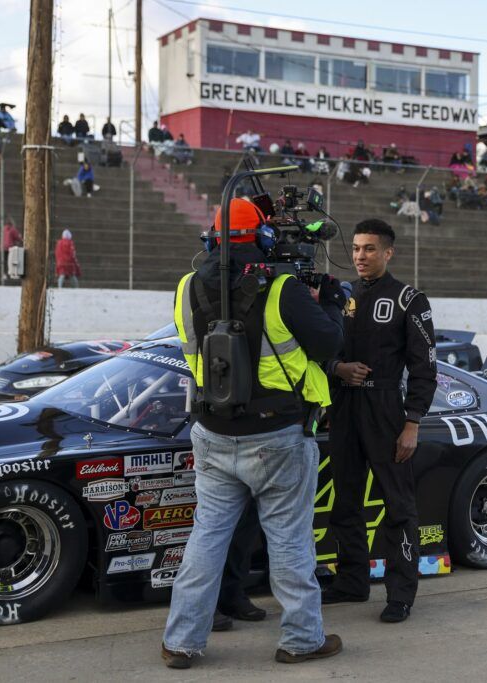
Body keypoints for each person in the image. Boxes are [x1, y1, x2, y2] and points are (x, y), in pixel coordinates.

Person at [161, 197, 346, 668]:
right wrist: (329, 301)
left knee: (206, 539)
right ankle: (302, 639)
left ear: (212, 238)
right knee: (289, 541)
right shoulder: (284, 288)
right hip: (277, 435)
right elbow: (329, 342)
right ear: (262, 238)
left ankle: (181, 641)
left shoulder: (186, 287)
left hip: (212, 431)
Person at [322, 219, 437, 624]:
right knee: (346, 500)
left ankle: (401, 593)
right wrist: (337, 368)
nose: (360, 256)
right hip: (344, 408)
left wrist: (413, 423)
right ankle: (351, 582)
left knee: (398, 507)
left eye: (369, 249)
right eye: (355, 248)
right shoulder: (340, 296)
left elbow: (426, 368)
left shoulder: (409, 299)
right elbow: (319, 349)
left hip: (388, 409)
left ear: (388, 253)